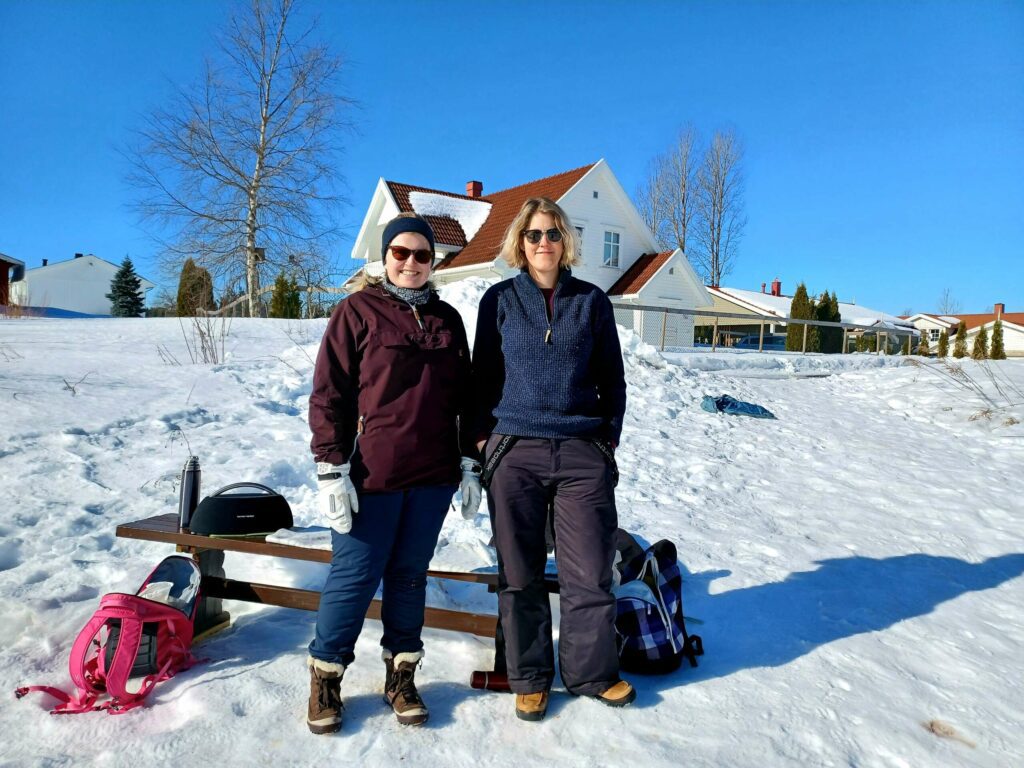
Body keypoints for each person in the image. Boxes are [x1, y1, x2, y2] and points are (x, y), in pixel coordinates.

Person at [306, 213, 482, 734]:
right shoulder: (355, 312)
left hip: (432, 475)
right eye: (400, 253)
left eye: (421, 255)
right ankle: (326, 678)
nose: (410, 263)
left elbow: (466, 400)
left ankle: (401, 677)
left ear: (434, 262)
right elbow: (329, 395)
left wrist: (471, 463)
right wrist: (331, 468)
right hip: (370, 475)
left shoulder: (449, 320)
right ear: (384, 258)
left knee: (408, 578)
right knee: (354, 577)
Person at [473, 197, 633, 721]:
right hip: (515, 450)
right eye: (535, 235)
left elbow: (612, 379)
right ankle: (530, 676)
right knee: (519, 574)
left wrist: (605, 440)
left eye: (554, 234)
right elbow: (481, 381)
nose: (544, 243)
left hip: (581, 450)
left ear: (567, 242)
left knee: (589, 570)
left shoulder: (591, 302)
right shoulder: (498, 300)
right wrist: (481, 444)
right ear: (519, 243)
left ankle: (591, 673)